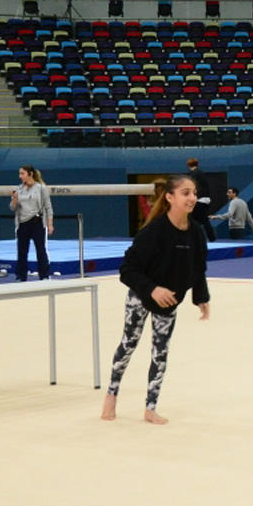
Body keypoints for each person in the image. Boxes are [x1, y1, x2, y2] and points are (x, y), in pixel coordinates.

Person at [101, 175, 210, 425]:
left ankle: (150, 408)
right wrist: (152, 289)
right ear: (170, 197)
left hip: (169, 301)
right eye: (185, 193)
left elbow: (198, 267)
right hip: (142, 296)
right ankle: (111, 394)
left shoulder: (196, 232)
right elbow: (127, 269)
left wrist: (200, 297)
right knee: (128, 345)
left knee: (160, 353)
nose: (192, 197)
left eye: (194, 192)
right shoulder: (154, 232)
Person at [9, 165, 53, 281]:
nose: (20, 176)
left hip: (37, 222)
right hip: (23, 224)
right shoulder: (19, 189)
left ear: (30, 174)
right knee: (22, 251)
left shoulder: (41, 188)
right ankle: (21, 276)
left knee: (41, 250)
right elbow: (13, 208)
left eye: (22, 173)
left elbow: (48, 207)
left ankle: (44, 275)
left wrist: (50, 224)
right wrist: (14, 200)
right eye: (19, 174)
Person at [185, 157, 216, 242]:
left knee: (192, 220)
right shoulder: (201, 173)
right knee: (204, 220)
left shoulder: (192, 174)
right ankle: (211, 238)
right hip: (206, 199)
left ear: (188, 165)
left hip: (199, 199)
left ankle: (194, 238)